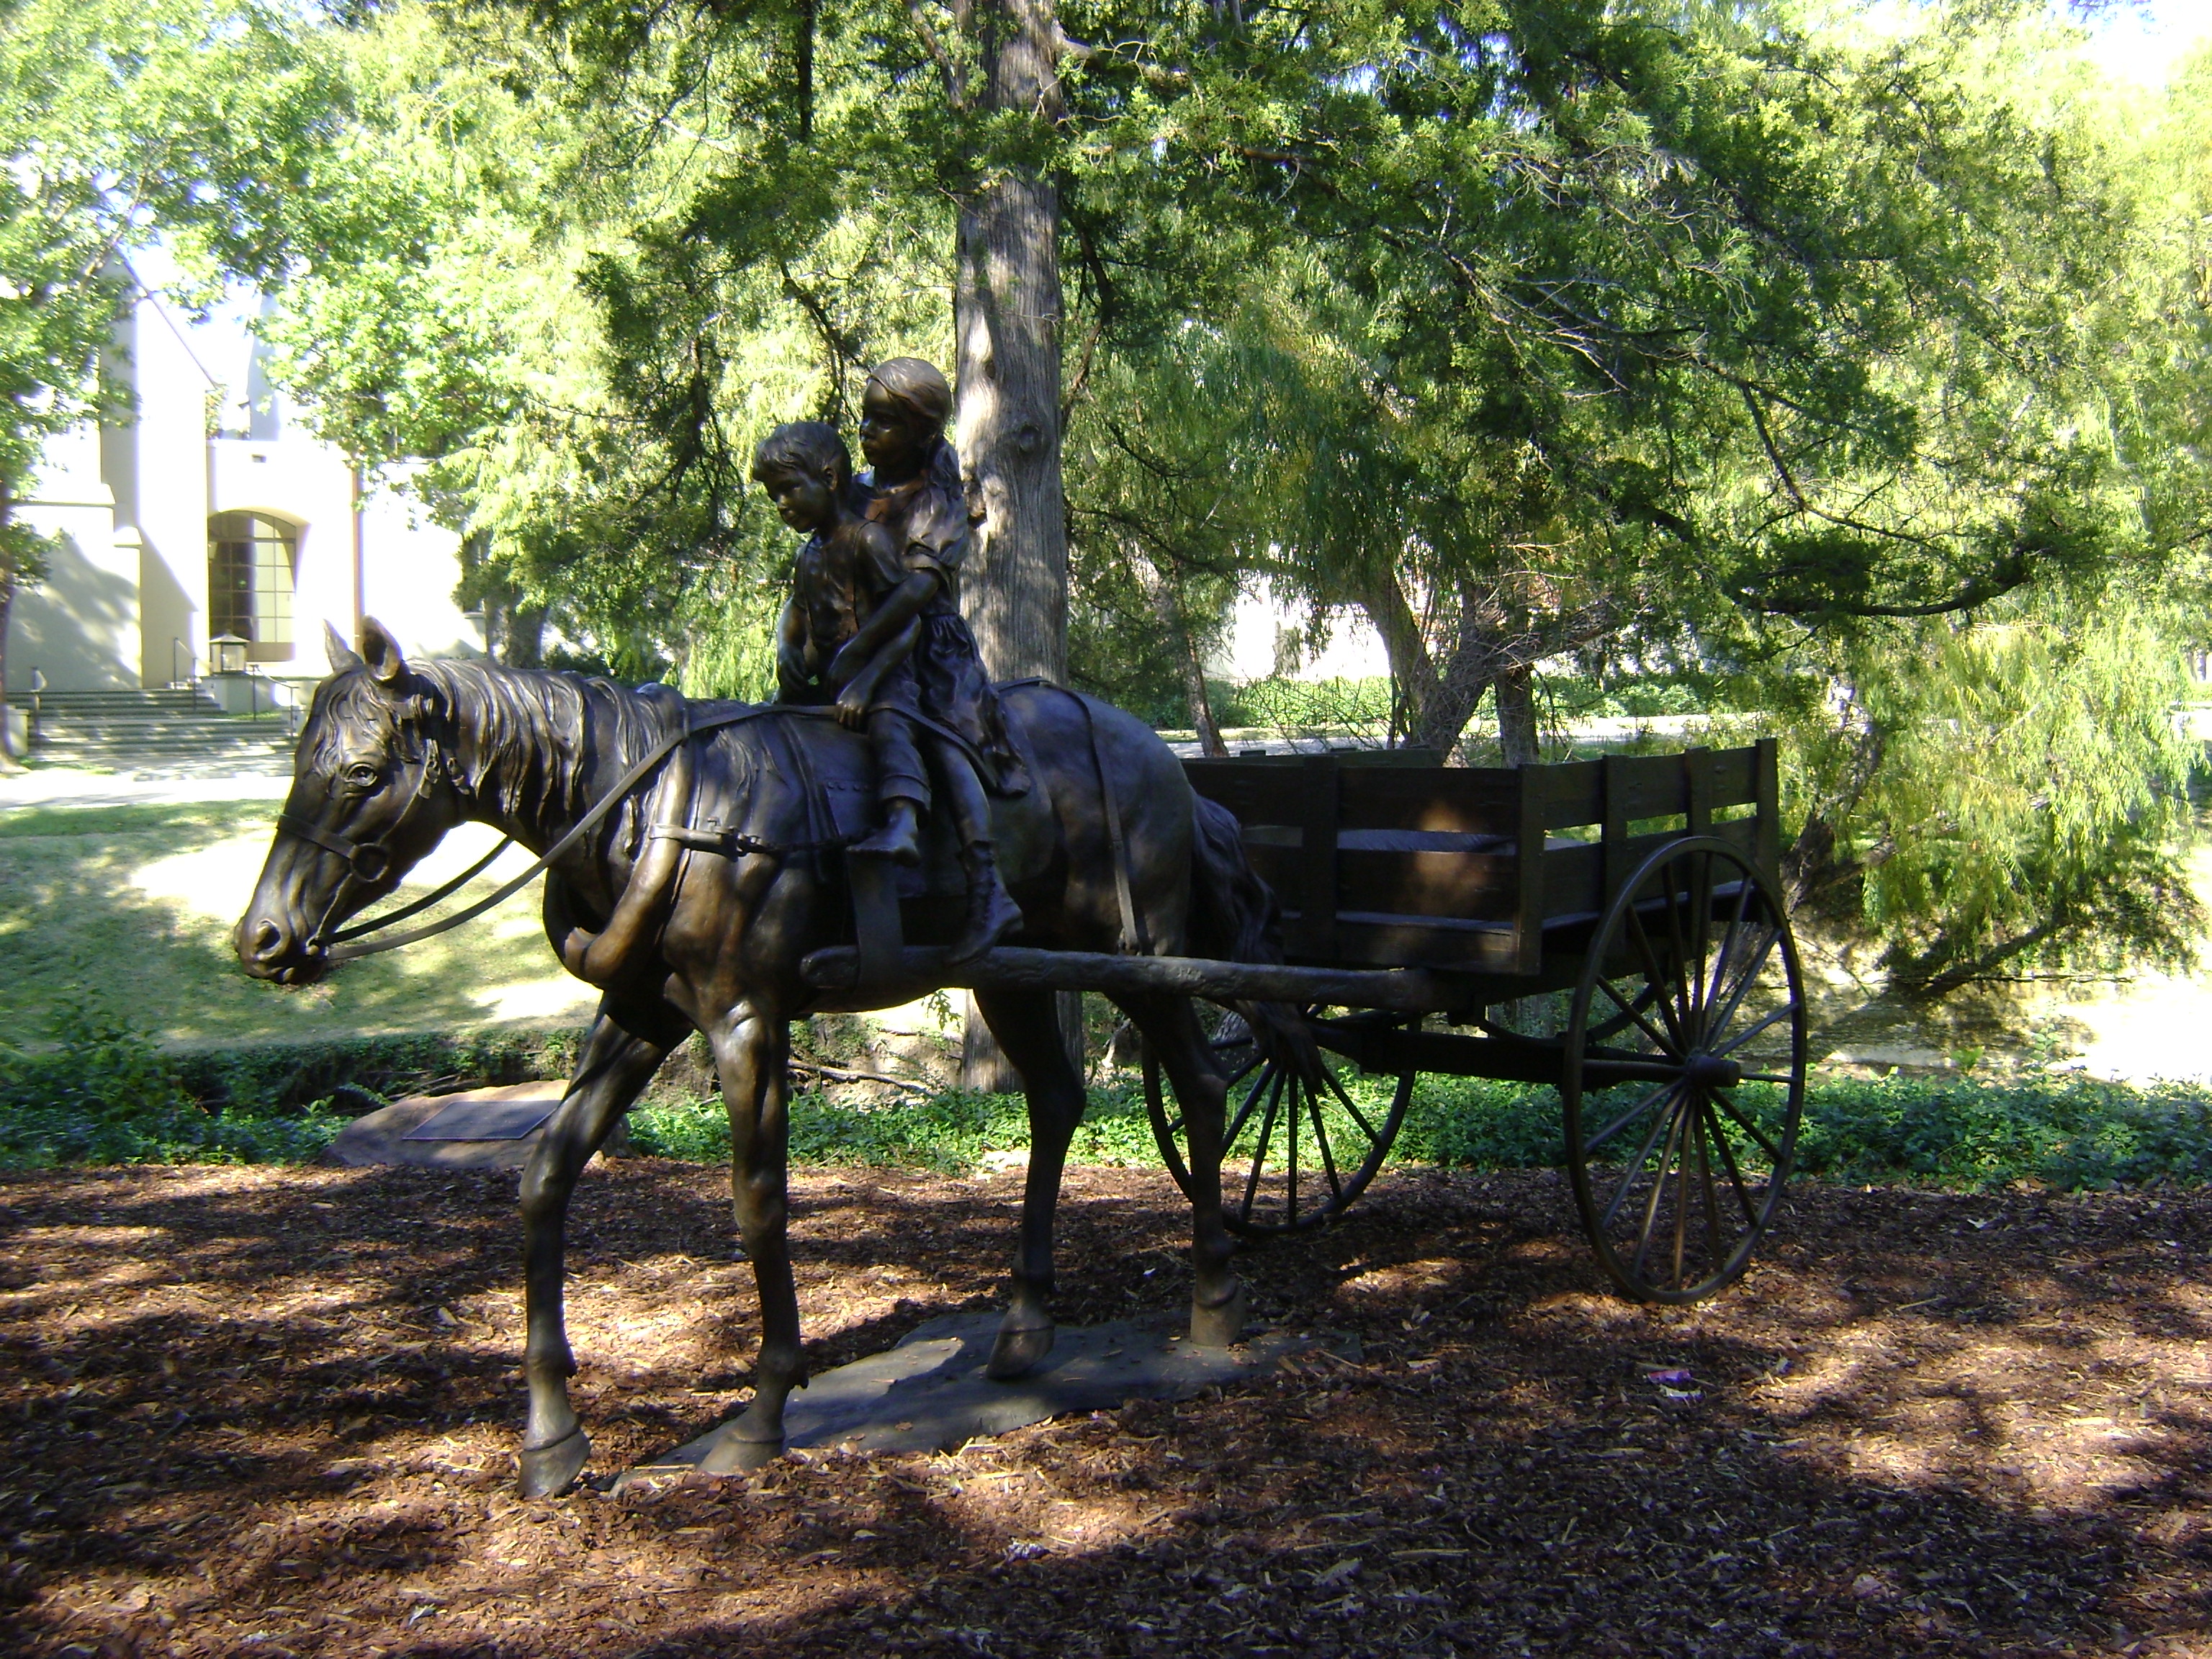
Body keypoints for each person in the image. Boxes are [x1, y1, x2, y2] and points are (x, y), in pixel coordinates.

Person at [826, 357, 1028, 961]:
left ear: (922, 433)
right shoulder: (855, 494)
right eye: (865, 418)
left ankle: (988, 887)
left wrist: (862, 655)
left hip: (928, 648)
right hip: (852, 643)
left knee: (944, 742)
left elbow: (916, 593)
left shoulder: (941, 504)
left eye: (884, 422)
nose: (867, 432)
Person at [751, 420, 933, 866]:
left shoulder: (867, 540)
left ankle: (902, 821)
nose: (782, 504)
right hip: (833, 678)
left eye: (790, 489)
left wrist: (868, 683)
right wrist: (787, 651)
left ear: (830, 479)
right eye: (774, 495)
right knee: (772, 719)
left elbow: (908, 624)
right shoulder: (807, 554)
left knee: (890, 723)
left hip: (885, 678)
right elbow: (795, 612)